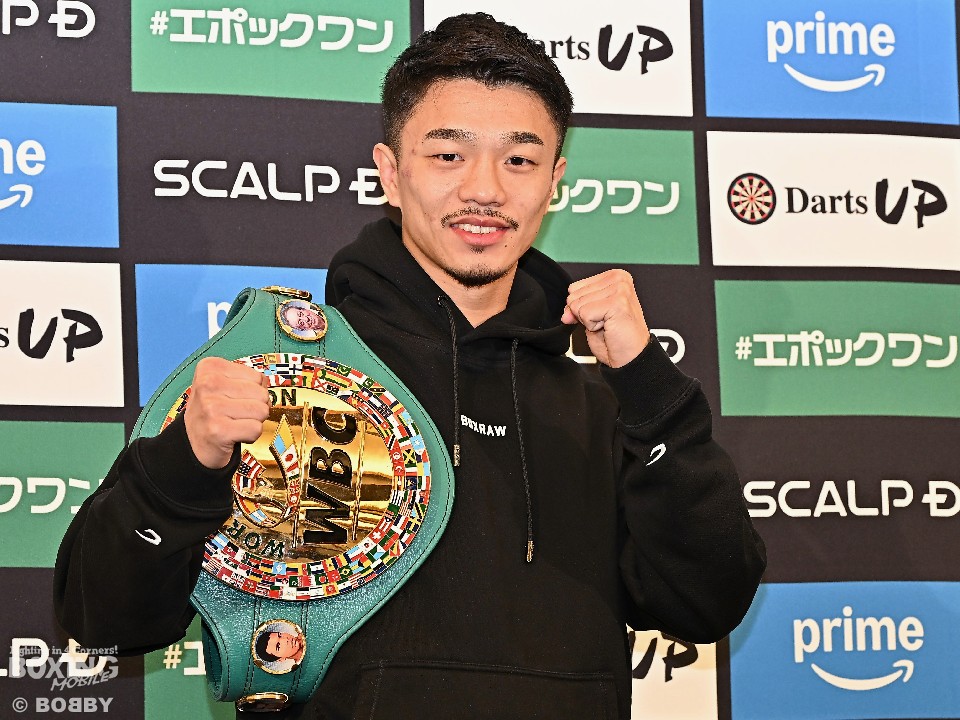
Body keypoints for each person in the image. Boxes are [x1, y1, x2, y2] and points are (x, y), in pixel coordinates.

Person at [54, 12, 765, 719]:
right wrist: (185, 461)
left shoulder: (605, 404)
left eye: (519, 160)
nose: (485, 189)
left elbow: (705, 602)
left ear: (554, 181)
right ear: (391, 174)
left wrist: (648, 383)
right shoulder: (287, 376)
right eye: (448, 155)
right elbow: (103, 618)